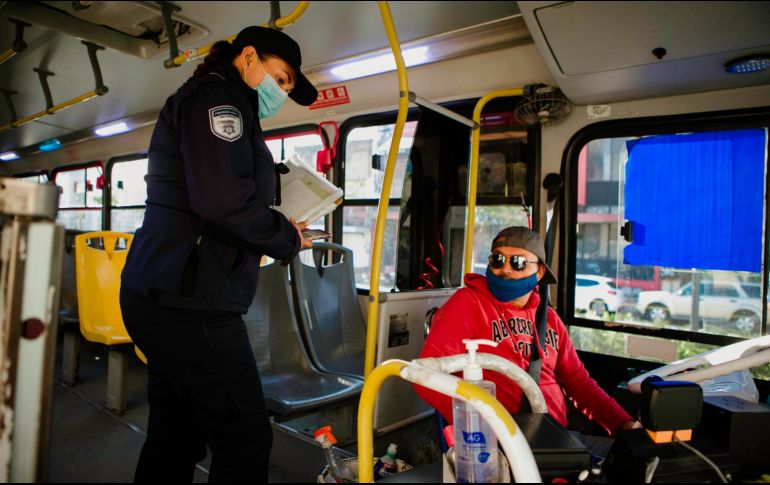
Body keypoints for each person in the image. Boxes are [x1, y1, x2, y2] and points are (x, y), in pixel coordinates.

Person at [119, 26, 317, 482]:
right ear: (248, 57)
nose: (281, 92)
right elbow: (222, 202)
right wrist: (285, 239)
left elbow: (223, 195)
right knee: (245, 440)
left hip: (168, 293)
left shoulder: (227, 103)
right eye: (281, 78)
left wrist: (277, 221)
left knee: (176, 435)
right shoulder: (219, 103)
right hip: (189, 304)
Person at [415, 226, 637, 437]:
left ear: (539, 271)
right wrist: (478, 427)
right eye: (497, 260)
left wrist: (623, 424)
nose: (505, 270)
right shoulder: (468, 303)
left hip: (554, 439)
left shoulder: (550, 319)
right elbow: (426, 376)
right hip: (495, 443)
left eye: (518, 262)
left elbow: (579, 384)